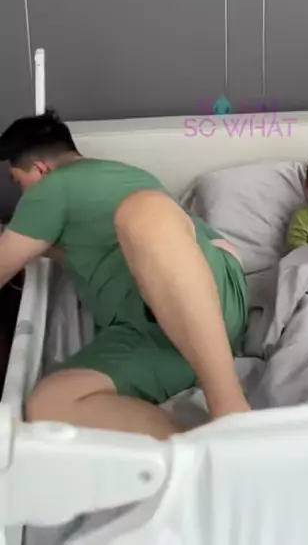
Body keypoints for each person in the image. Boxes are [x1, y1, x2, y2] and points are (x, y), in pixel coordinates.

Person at [0, 110, 250, 439]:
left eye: (18, 182)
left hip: (205, 304)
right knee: (49, 404)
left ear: (40, 169)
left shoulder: (53, 188)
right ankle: (197, 451)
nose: (23, 196)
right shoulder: (126, 178)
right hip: (154, 335)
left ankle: (230, 408)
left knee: (143, 213)